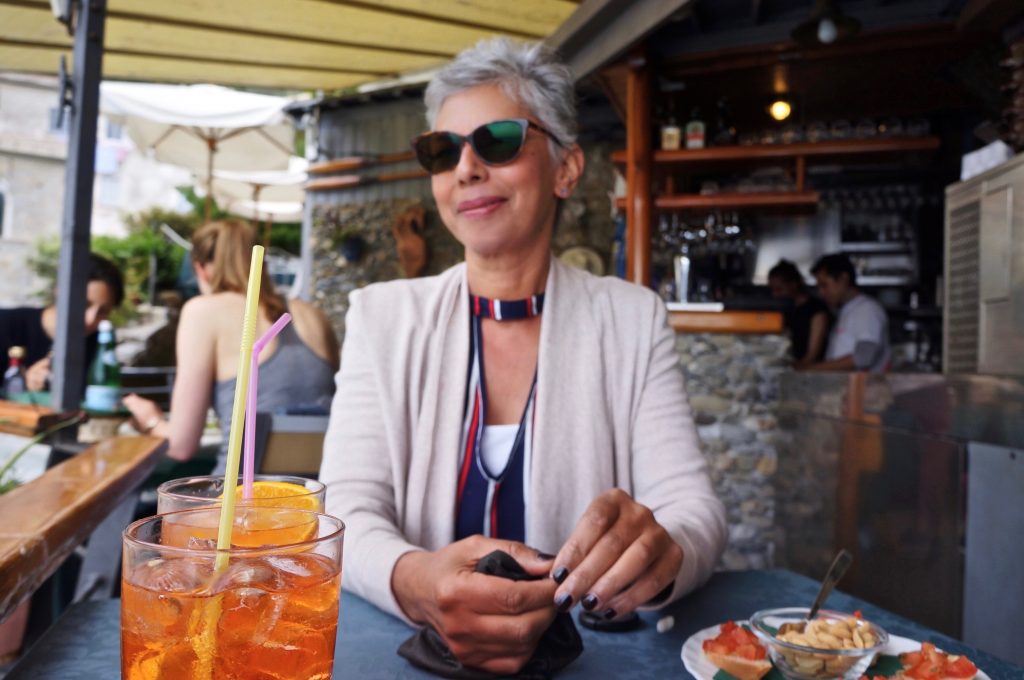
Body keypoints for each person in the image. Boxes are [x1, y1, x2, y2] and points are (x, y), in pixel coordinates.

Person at [320, 38, 726, 675]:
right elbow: (344, 507)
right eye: (442, 150)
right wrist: (414, 580)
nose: (467, 169)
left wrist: (662, 554)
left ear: (566, 168)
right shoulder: (382, 317)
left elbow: (693, 511)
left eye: (498, 141)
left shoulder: (630, 318)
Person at [123, 220, 339, 473]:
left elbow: (181, 445)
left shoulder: (202, 311)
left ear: (200, 269)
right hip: (314, 497)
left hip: (240, 500)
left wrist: (150, 419)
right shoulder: (314, 315)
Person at [0, 253, 124, 392]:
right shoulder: (6, 324)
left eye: (103, 311)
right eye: (84, 304)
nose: (91, 319)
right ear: (60, 291)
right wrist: (21, 387)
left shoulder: (100, 341)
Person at [809, 253, 890, 373]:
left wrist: (810, 369)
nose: (821, 293)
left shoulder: (867, 309)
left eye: (824, 285)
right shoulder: (847, 309)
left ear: (843, 279)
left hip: (863, 389)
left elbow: (863, 358)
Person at [767, 259, 831, 369]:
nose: (775, 294)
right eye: (772, 290)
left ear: (793, 284)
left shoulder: (816, 310)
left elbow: (812, 355)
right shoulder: (786, 311)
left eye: (779, 289)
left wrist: (793, 370)